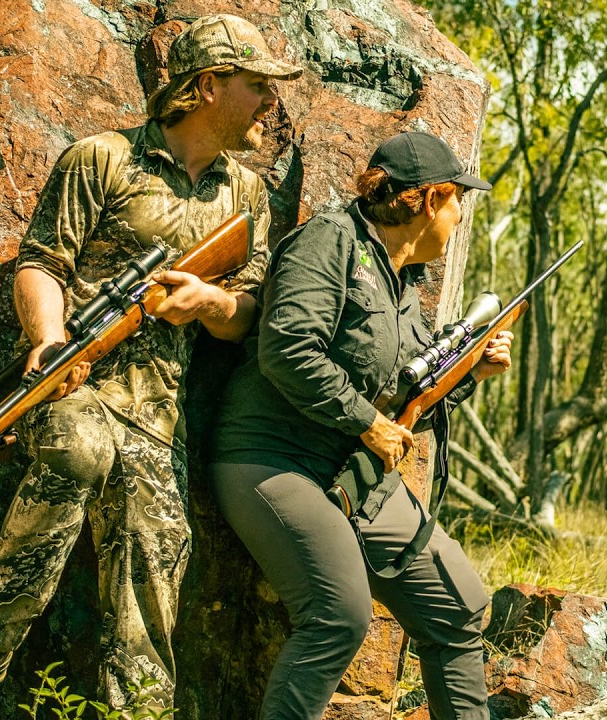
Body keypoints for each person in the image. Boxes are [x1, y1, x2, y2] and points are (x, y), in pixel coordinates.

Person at [0, 14, 300, 714]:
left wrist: (206, 301)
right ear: (206, 86)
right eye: (257, 85)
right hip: (79, 375)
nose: (271, 104)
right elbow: (42, 263)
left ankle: (137, 705)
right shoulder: (104, 158)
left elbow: (246, 316)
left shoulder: (247, 196)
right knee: (77, 446)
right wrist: (49, 340)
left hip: (155, 413)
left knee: (155, 547)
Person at [212, 131, 508, 720]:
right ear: (428, 199)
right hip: (272, 460)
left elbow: (409, 405)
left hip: (358, 475)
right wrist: (367, 421)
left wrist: (473, 374)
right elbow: (289, 348)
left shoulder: (403, 282)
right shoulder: (329, 242)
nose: (457, 217)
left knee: (460, 607)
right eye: (456, 202)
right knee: (338, 615)